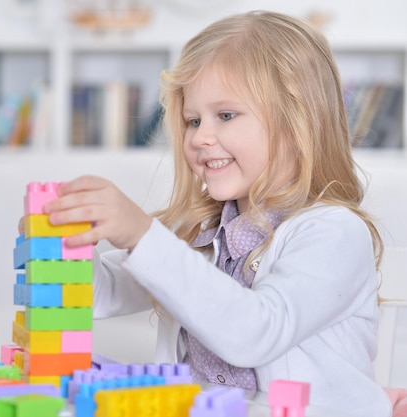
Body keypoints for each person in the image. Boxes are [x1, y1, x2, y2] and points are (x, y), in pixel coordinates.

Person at [41, 10, 395, 417]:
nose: (200, 137)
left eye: (225, 115)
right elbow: (101, 295)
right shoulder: (201, 233)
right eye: (193, 121)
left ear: (299, 122)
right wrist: (62, 245)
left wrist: (141, 234)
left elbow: (254, 332)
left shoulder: (333, 233)